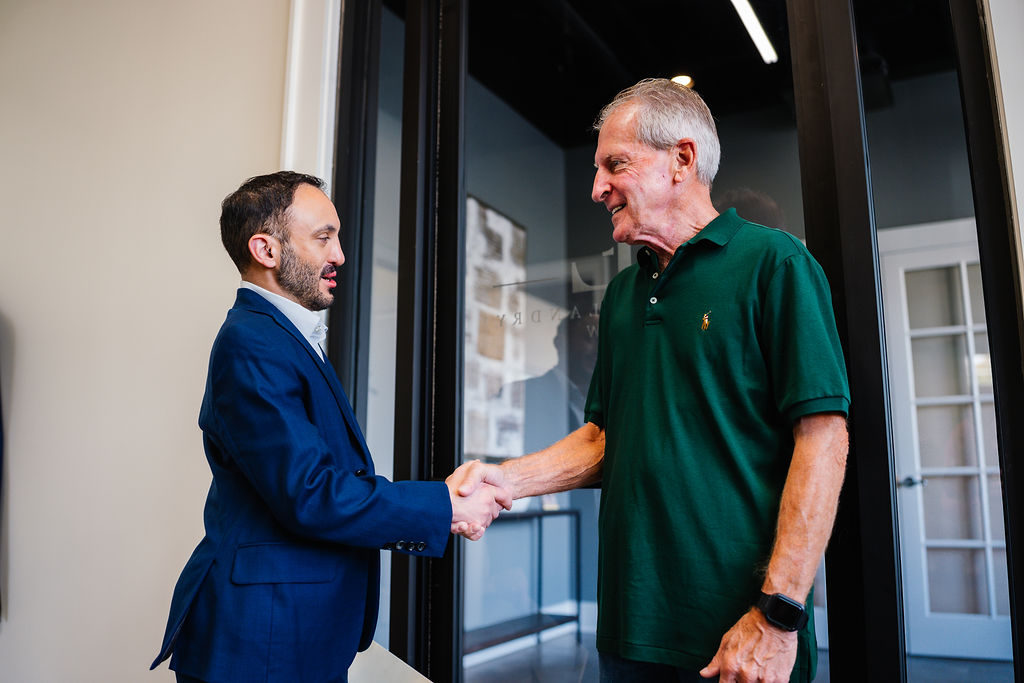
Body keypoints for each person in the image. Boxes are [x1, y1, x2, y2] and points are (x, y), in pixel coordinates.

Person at [452, 79, 850, 683]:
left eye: (615, 165)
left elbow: (823, 440)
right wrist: (504, 480)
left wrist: (778, 615)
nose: (597, 188)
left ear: (682, 160)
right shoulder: (621, 295)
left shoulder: (776, 265)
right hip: (629, 627)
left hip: (741, 638)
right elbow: (604, 439)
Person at [151, 172, 508, 683]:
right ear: (266, 250)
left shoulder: (282, 337)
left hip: (292, 632)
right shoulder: (251, 342)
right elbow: (310, 492)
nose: (339, 254)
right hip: (261, 643)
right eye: (323, 237)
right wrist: (444, 505)